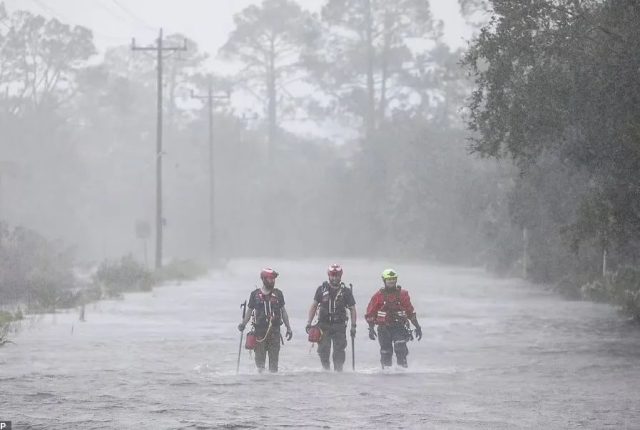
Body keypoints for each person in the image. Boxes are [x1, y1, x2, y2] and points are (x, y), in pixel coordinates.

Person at [238, 268, 293, 373]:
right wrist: (243, 324)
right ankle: (261, 387)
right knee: (260, 367)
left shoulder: (278, 294)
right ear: (263, 279)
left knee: (273, 368)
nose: (272, 281)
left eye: (273, 279)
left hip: (275, 334)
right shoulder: (254, 295)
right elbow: (249, 312)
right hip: (259, 335)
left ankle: (273, 386)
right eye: (270, 278)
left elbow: (283, 312)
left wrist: (288, 328)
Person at [365, 268, 422, 368]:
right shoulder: (378, 296)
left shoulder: (403, 295)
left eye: (393, 279)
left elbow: (410, 311)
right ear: (384, 280)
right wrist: (371, 328)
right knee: (386, 352)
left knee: (400, 348)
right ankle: (386, 374)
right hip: (384, 329)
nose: (391, 281)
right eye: (389, 279)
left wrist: (417, 327)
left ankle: (403, 372)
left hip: (399, 327)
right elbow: (370, 313)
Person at [306, 264, 356, 371]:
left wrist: (353, 326)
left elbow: (352, 309)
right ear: (329, 275)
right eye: (332, 275)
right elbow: (314, 306)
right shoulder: (321, 290)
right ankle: (326, 371)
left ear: (340, 276)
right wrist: (309, 323)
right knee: (323, 350)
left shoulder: (346, 292)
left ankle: (338, 373)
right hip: (323, 325)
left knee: (339, 351)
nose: (334, 278)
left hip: (339, 326)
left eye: (337, 275)